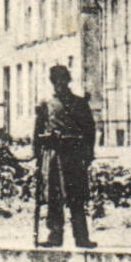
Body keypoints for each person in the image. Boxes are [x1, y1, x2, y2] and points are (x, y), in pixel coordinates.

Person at [32, 64, 97, 248]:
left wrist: (88, 154)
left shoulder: (79, 103)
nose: (59, 85)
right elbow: (37, 131)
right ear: (52, 83)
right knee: (54, 196)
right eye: (56, 81)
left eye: (62, 80)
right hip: (53, 156)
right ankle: (55, 235)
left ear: (68, 81)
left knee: (76, 197)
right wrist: (37, 155)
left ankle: (81, 237)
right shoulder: (46, 105)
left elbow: (90, 130)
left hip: (74, 156)